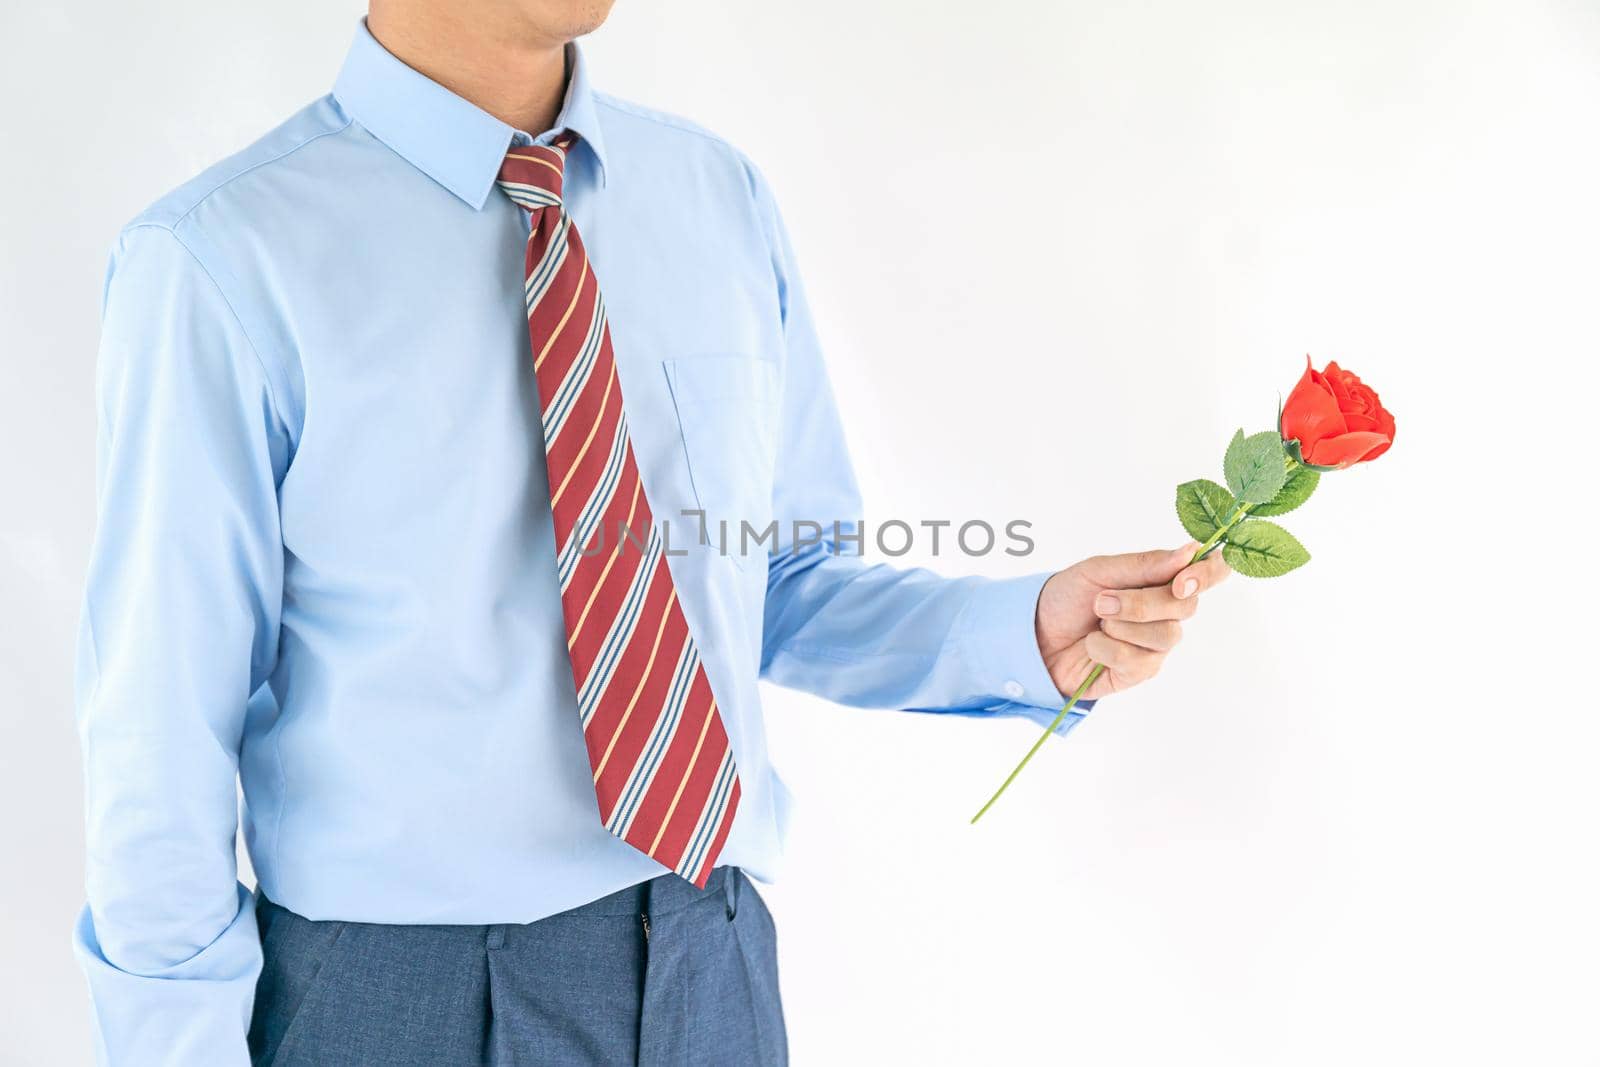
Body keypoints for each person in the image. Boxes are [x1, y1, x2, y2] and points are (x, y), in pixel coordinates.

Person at [72, 1, 1230, 1063]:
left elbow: (775, 575)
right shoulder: (221, 259)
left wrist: (1025, 630)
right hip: (395, 994)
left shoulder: (712, 194)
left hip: (710, 959)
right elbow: (159, 730)